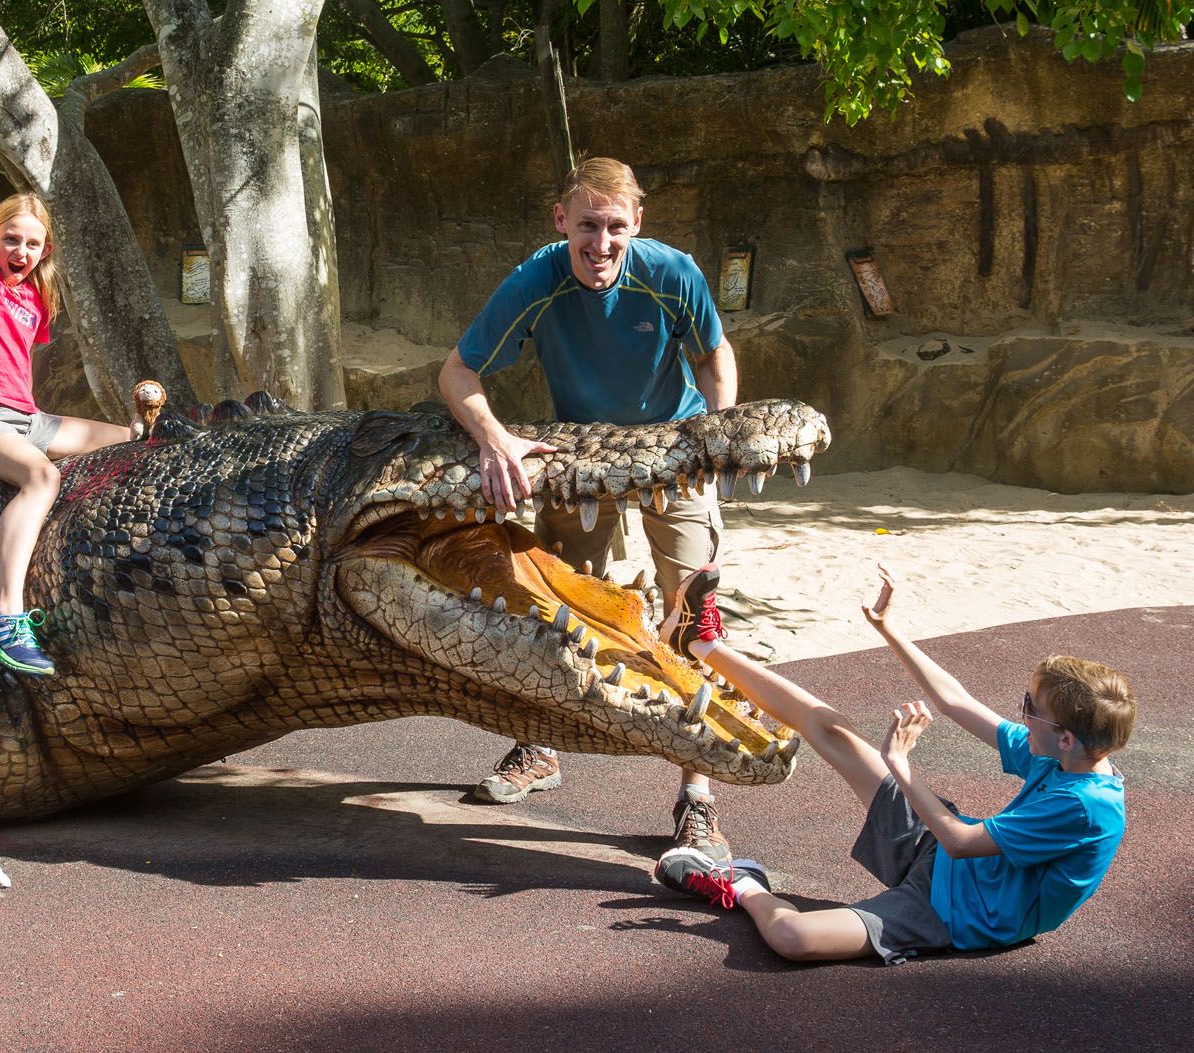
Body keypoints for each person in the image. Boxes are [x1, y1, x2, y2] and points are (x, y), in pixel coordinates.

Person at [439, 156, 740, 860]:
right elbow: (457, 371)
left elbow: (715, 357)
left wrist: (714, 438)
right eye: (586, 226)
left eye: (614, 227)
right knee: (555, 608)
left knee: (696, 616)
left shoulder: (673, 275)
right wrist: (496, 440)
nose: (600, 244)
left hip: (673, 451)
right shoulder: (536, 279)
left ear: (637, 223)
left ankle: (697, 798)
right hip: (584, 457)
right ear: (560, 221)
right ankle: (539, 745)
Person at [652, 563, 1134, 965]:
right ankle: (700, 643)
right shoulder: (1064, 755)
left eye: (1031, 709)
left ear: (1066, 737)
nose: (1021, 715)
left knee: (794, 940)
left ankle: (741, 883)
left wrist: (900, 764)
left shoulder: (1086, 808)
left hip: (955, 913)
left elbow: (962, 842)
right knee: (833, 731)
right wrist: (889, 629)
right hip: (941, 850)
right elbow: (954, 701)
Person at [0, 54, 133, 676]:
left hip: (28, 419)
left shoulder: (31, 297)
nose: (20, 250)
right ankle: (2, 615)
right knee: (41, 479)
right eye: (11, 238)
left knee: (135, 440)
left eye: (32, 243)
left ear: (42, 250)